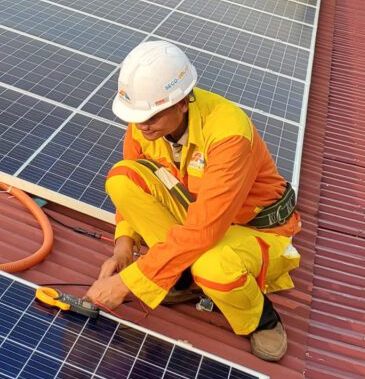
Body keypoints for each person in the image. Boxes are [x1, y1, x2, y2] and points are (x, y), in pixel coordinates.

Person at [84, 40, 301, 362]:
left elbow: (205, 229)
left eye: (152, 116)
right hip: (201, 218)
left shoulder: (228, 133)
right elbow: (137, 191)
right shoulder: (144, 126)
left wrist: (129, 282)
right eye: (136, 116)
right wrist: (124, 245)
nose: (142, 126)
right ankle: (181, 279)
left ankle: (260, 318)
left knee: (213, 265)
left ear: (184, 102)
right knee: (123, 177)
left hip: (255, 229)